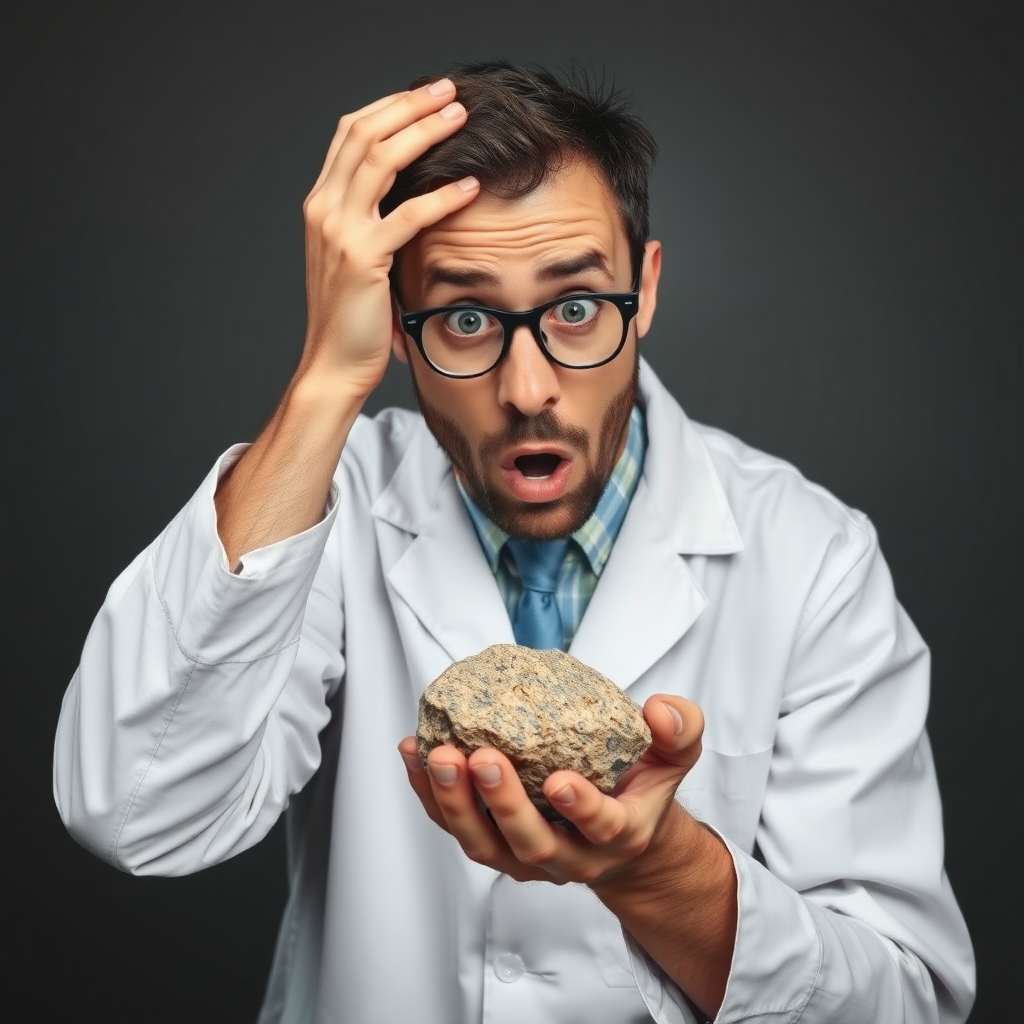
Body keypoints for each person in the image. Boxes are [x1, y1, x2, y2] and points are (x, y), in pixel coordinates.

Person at [53, 60, 976, 1024]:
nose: (529, 388)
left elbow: (906, 999)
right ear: (397, 330)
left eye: (577, 308)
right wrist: (327, 376)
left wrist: (659, 871)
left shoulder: (813, 557)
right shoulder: (328, 507)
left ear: (645, 288)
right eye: (463, 317)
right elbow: (136, 811)